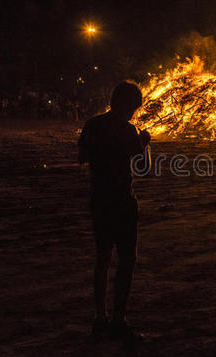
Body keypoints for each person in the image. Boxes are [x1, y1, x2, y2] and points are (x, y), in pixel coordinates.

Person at [78, 81, 150, 342]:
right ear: (125, 103)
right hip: (121, 200)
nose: (134, 112)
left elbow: (81, 158)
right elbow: (143, 165)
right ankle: (119, 319)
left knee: (102, 258)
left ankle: (100, 316)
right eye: (133, 106)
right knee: (127, 260)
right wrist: (144, 142)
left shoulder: (92, 125)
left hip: (99, 199)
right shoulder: (127, 129)